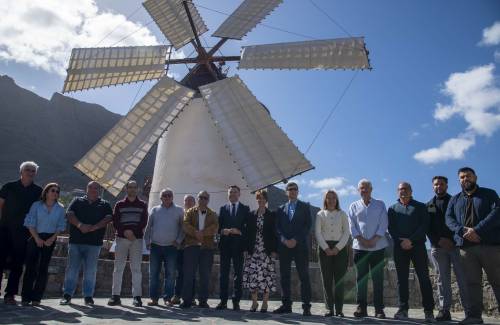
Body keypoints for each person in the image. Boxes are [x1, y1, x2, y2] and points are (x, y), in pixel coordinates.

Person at [446, 167, 500, 325]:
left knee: (497, 281)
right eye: (462, 177)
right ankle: (474, 316)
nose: (465, 179)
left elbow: (497, 212)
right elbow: (449, 219)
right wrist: (463, 231)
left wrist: (477, 230)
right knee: (471, 283)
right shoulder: (454, 199)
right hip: (466, 249)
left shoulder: (489, 194)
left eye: (468, 176)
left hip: (490, 246)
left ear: (475, 177)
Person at [60, 181, 113, 306]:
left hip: (94, 243)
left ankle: (88, 296)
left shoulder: (105, 204)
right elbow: (69, 214)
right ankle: (67, 295)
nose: (93, 190)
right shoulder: (77, 201)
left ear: (99, 190)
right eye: (91, 187)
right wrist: (80, 225)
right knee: (72, 269)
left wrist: (94, 227)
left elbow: (109, 217)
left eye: (96, 188)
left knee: (91, 271)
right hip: (76, 242)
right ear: (87, 188)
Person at [388, 182, 435, 322]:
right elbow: (391, 228)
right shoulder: (392, 208)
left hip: (418, 247)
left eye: (406, 189)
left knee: (424, 278)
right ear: (397, 192)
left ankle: (429, 311)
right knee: (401, 280)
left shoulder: (421, 206)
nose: (403, 191)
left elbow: (424, 226)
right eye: (401, 189)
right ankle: (403, 309)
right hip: (399, 247)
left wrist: (411, 240)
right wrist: (401, 241)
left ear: (411, 191)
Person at [427, 176, 469, 322]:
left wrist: (452, 240)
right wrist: (439, 240)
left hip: (456, 246)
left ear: (447, 185)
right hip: (437, 248)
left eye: (441, 184)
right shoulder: (429, 205)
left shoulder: (456, 201)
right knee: (441, 279)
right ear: (433, 186)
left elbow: (461, 222)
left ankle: (469, 311)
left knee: (462, 278)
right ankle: (444, 310)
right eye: (436, 184)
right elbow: (428, 227)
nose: (438, 186)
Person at [0, 161, 43, 305]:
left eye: (33, 170)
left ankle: (9, 294)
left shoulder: (38, 191)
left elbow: (41, 211)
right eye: (27, 170)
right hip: (4, 229)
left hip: (24, 232)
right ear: (21, 171)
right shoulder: (9, 187)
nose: (30, 172)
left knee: (17, 265)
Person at [347, 179, 389, 319]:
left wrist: (374, 239)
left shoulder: (380, 204)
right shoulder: (353, 206)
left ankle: (379, 309)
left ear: (371, 189)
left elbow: (384, 223)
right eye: (361, 188)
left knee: (378, 279)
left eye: (366, 188)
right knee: (361, 280)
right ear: (358, 190)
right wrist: (362, 240)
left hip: (378, 247)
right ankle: (361, 308)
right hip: (360, 247)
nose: (364, 190)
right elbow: (351, 225)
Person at [21, 183, 66, 306]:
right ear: (46, 192)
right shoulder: (36, 205)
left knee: (43, 268)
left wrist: (52, 238)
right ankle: (26, 297)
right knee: (31, 267)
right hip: (35, 236)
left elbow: (60, 225)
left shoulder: (60, 208)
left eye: (57, 191)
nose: (55, 193)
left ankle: (37, 298)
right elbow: (30, 222)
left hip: (50, 239)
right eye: (52, 190)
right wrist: (36, 238)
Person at [274, 182, 313, 316]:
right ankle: (286, 305)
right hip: (284, 248)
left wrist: (295, 240)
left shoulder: (304, 207)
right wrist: (285, 240)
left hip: (300, 247)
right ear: (286, 192)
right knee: (284, 277)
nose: (292, 191)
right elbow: (277, 227)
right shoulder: (280, 209)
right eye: (289, 189)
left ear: (298, 191)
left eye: (294, 189)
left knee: (304, 277)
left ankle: (306, 306)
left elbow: (307, 226)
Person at [108, 180, 148, 307]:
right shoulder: (119, 205)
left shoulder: (143, 205)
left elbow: (144, 221)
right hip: (121, 238)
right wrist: (125, 232)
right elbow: (116, 221)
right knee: (118, 268)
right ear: (126, 189)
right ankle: (115, 296)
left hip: (136, 240)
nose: (132, 189)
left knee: (136, 268)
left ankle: (137, 297)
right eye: (130, 187)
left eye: (134, 187)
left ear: (138, 189)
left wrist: (133, 233)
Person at [144, 188, 184, 306]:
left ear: (172, 197)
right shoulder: (155, 210)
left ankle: (167, 298)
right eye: (165, 195)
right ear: (161, 197)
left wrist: (178, 241)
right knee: (153, 273)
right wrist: (147, 241)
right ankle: (153, 298)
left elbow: (183, 228)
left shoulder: (179, 210)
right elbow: (148, 226)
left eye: (169, 195)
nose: (167, 197)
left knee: (171, 274)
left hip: (171, 247)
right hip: (156, 246)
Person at [180, 191, 219, 309]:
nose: (203, 199)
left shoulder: (213, 214)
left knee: (205, 275)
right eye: (201, 197)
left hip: (207, 248)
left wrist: (203, 233)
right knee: (188, 274)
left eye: (205, 198)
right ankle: (186, 300)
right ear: (197, 199)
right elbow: (185, 225)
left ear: (208, 200)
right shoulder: (189, 212)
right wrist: (195, 233)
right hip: (191, 247)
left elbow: (215, 227)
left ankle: (203, 300)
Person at [315, 190, 350, 317]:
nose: (331, 200)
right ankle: (329, 308)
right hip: (324, 249)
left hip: (340, 249)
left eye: (333, 198)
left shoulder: (342, 214)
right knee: (327, 280)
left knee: (339, 280)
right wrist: (326, 248)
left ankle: (339, 310)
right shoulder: (319, 214)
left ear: (337, 200)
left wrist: (337, 248)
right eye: (328, 198)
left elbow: (346, 233)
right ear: (325, 200)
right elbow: (318, 233)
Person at [243, 190, 277, 313]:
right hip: (253, 251)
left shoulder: (272, 215)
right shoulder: (251, 214)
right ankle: (254, 302)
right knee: (253, 277)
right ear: (257, 200)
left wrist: (274, 250)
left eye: (263, 198)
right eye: (259, 198)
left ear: (266, 200)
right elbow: (247, 234)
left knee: (266, 277)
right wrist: (246, 249)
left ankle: (265, 303)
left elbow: (275, 234)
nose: (261, 200)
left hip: (266, 251)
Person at [216, 185, 250, 311]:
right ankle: (223, 301)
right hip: (225, 246)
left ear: (239, 194)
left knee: (238, 275)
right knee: (223, 275)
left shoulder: (245, 209)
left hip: (239, 246)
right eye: (230, 192)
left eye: (235, 192)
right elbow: (218, 227)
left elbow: (249, 228)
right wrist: (223, 230)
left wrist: (240, 232)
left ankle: (236, 301)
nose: (232, 194)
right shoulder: (223, 208)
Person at [171, 194, 196, 305]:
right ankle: (177, 295)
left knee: (191, 273)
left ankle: (192, 297)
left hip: (192, 247)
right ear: (183, 202)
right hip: (180, 247)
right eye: (186, 200)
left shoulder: (197, 215)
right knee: (180, 272)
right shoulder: (179, 213)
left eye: (191, 201)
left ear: (194, 203)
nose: (188, 202)